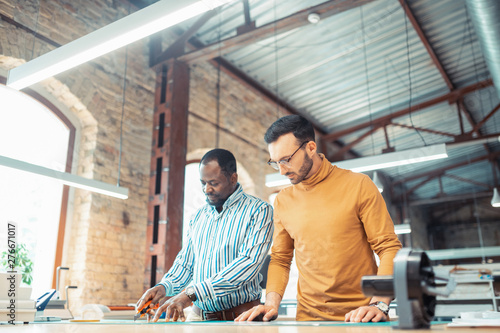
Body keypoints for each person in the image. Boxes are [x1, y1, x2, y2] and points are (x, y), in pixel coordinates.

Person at [236, 115, 402, 322]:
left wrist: (380, 303)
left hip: (361, 317)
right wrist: (270, 303)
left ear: (311, 148)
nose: (282, 170)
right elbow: (280, 258)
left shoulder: (359, 185)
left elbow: (388, 247)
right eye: (275, 162)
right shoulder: (283, 201)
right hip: (308, 319)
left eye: (286, 160)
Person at [136, 148, 273, 322]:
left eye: (214, 183)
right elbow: (186, 263)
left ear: (233, 179)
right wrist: (164, 286)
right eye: (203, 183)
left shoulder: (259, 211)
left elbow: (247, 264)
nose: (206, 189)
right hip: (198, 318)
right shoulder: (198, 216)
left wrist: (191, 294)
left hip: (241, 319)